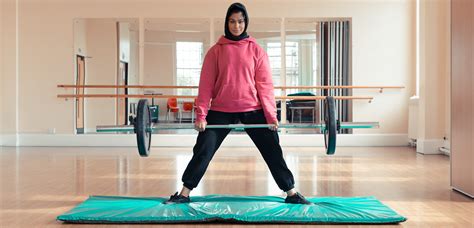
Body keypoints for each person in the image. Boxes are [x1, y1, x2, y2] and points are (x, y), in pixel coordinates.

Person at [165, 2, 311, 205]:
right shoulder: (215, 51)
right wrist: (201, 116)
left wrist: (271, 116)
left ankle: (291, 193)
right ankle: (184, 193)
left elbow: (265, 85)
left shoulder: (256, 50)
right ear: (227, 23)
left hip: (253, 109)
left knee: (272, 149)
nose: (236, 26)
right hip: (220, 109)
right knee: (203, 150)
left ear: (246, 22)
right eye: (232, 21)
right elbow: (205, 86)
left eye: (240, 21)